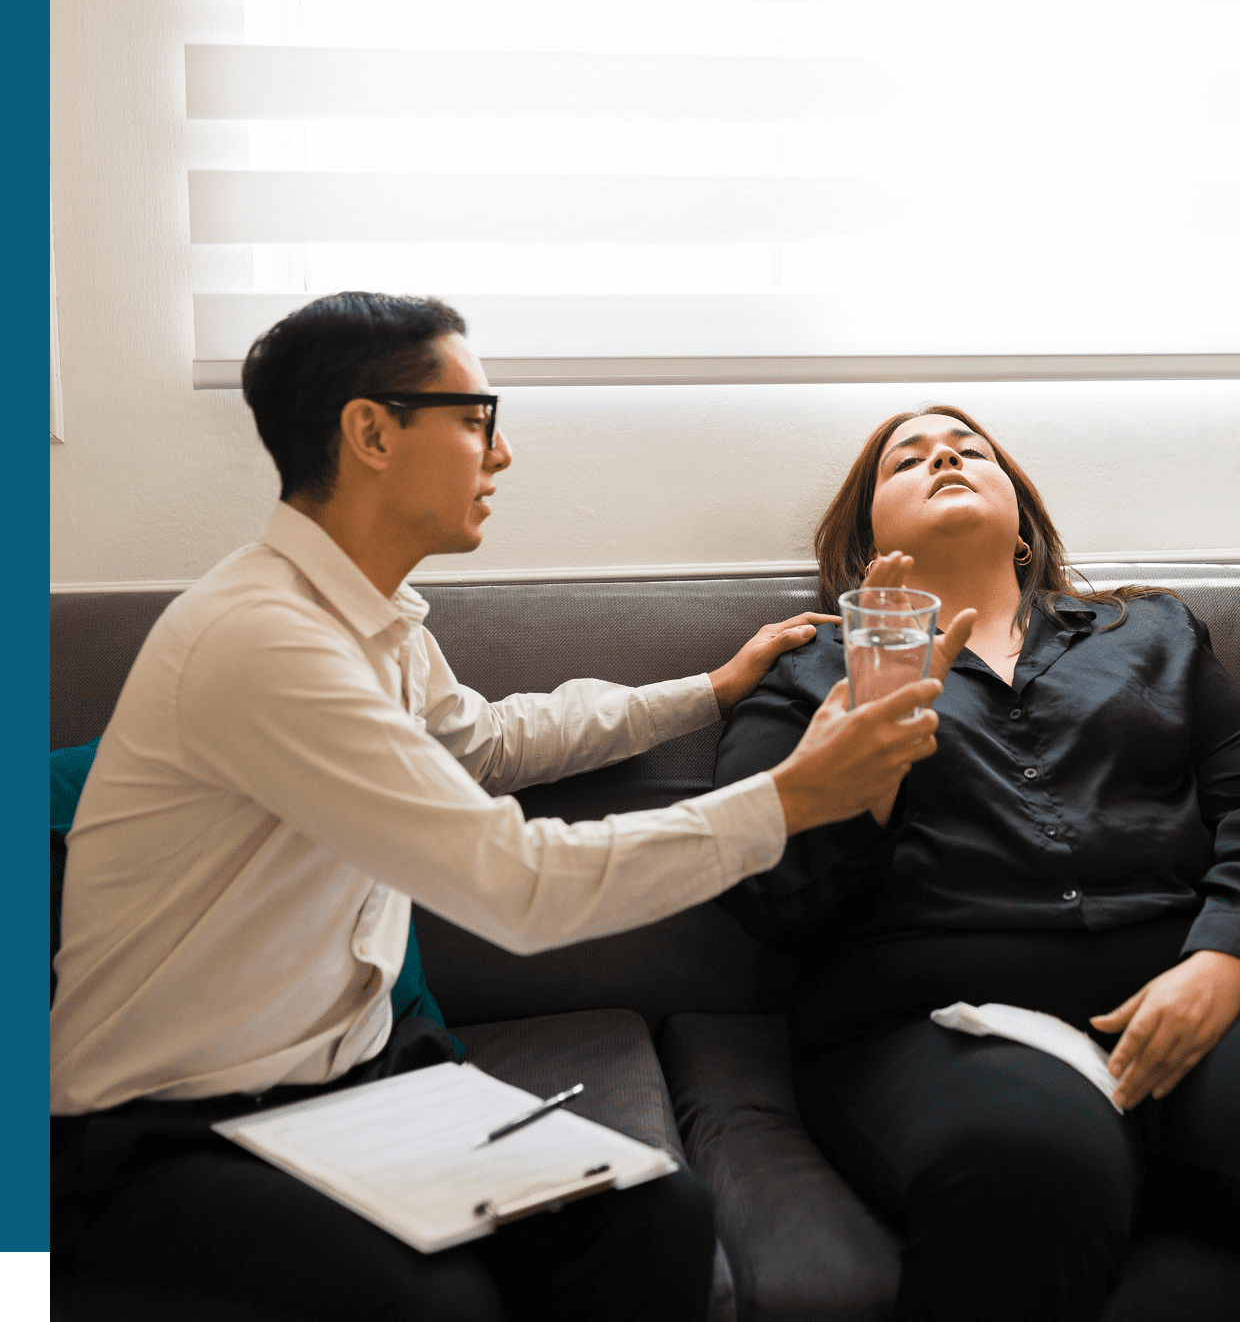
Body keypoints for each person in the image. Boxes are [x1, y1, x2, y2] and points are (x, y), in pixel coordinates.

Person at [50, 293, 947, 1322]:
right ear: (371, 431)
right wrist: (792, 796)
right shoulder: (264, 643)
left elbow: (484, 743)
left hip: (358, 1085)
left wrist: (708, 691)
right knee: (442, 1305)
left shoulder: (374, 625)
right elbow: (517, 888)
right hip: (169, 1129)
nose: (503, 452)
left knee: (658, 1220)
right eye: (477, 418)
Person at [713, 405, 1240, 1322]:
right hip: (941, 1028)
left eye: (970, 450)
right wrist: (870, 743)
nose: (945, 456)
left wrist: (1224, 957)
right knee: (1029, 1172)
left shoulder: (1154, 632)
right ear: (866, 538)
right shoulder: (805, 671)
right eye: (905, 460)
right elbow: (765, 895)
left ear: (1023, 520)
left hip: (1186, 995)